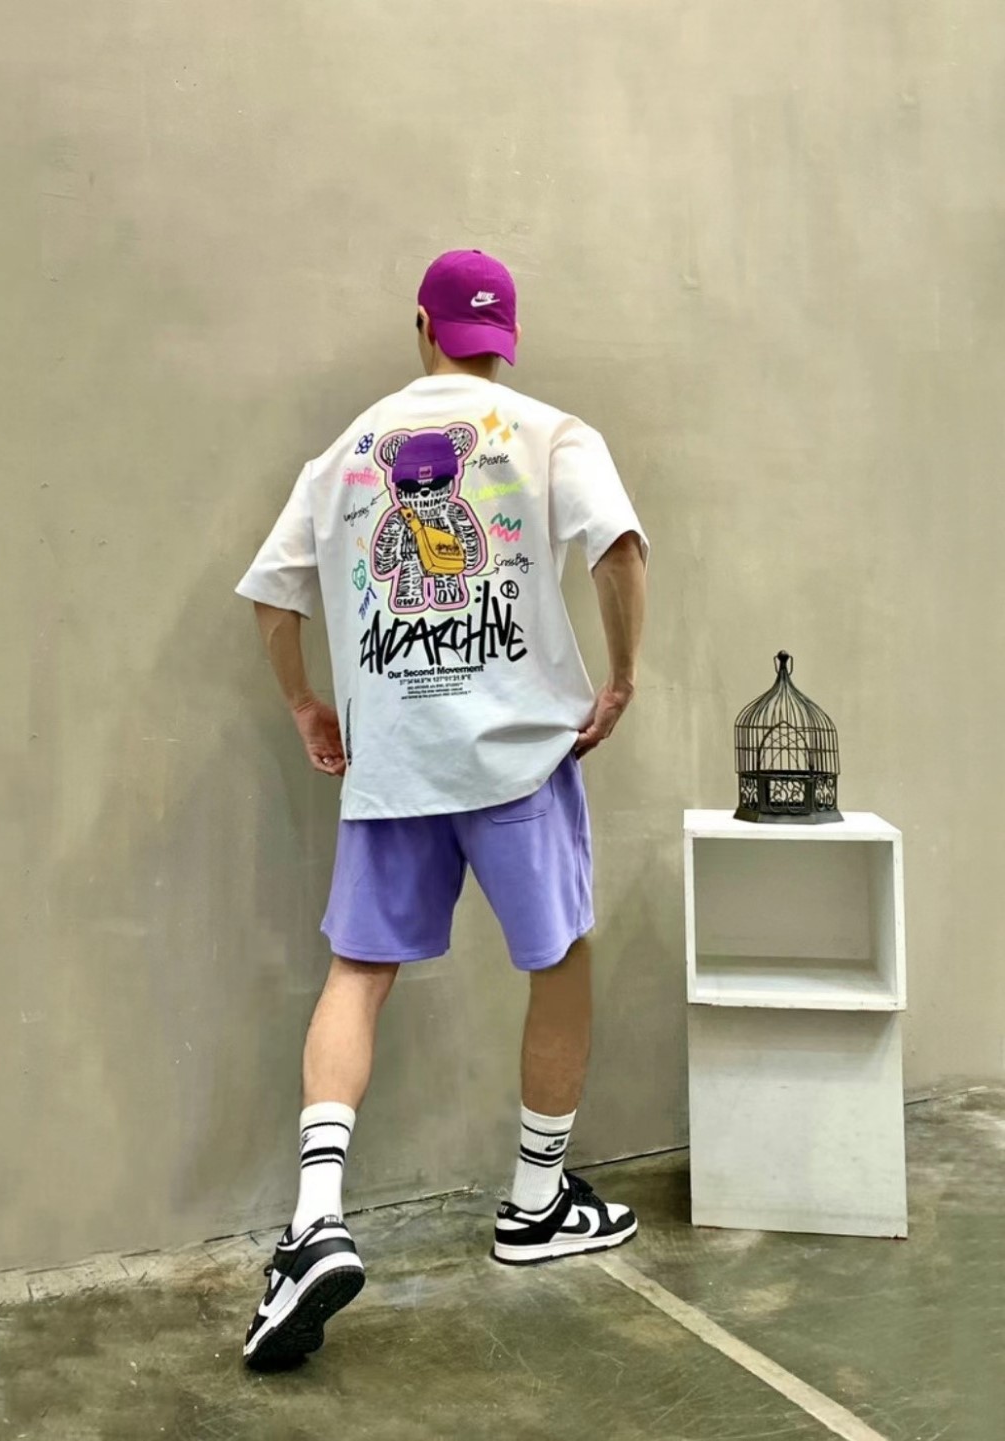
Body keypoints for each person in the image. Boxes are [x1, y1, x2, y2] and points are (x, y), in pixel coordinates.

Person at [235, 249, 649, 1370]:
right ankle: (536, 1200)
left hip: (394, 765)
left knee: (359, 972)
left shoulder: (344, 454)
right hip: (518, 756)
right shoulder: (551, 433)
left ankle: (315, 1218)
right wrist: (620, 676)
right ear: (504, 338)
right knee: (559, 955)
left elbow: (274, 596)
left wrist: (307, 704)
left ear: (421, 324)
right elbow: (617, 548)